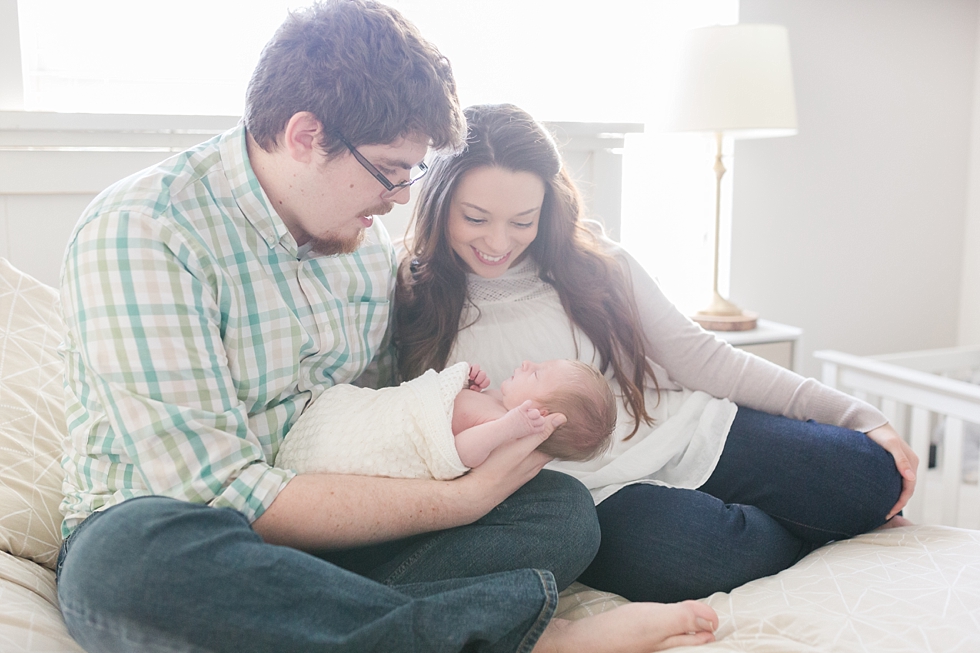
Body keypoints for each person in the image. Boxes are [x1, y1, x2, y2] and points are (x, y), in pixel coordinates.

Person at [54, 3, 719, 652]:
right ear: (306, 136)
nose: (401, 197)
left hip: (328, 541)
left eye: (412, 173)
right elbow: (222, 494)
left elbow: (384, 416)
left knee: (561, 511)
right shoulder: (148, 231)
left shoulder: (361, 246)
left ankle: (325, 621)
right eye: (390, 172)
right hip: (193, 531)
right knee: (127, 571)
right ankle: (537, 635)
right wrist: (461, 503)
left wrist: (470, 445)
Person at [396, 102, 920, 605]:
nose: (498, 241)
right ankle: (805, 529)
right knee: (712, 556)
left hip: (665, 427)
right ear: (441, 203)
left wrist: (856, 415)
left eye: (522, 220)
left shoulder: (592, 264)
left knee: (872, 477)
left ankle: (812, 513)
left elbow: (703, 357)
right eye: (476, 218)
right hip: (583, 488)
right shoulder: (410, 294)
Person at [276, 359, 616, 480]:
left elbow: (458, 452)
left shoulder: (506, 430)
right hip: (388, 412)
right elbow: (444, 409)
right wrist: (465, 387)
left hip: (397, 442)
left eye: (538, 373)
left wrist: (507, 426)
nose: (527, 363)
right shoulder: (496, 404)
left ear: (539, 415)